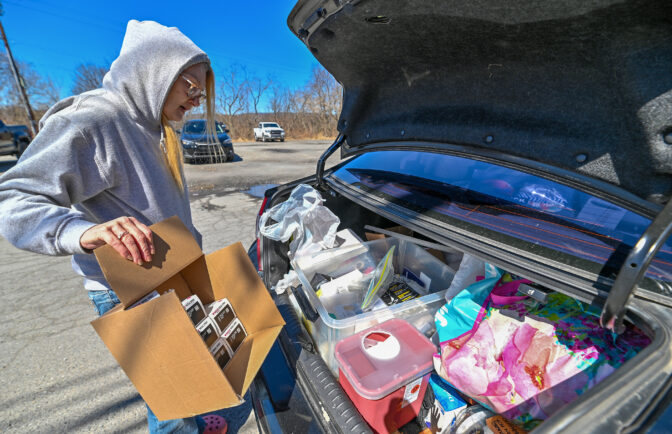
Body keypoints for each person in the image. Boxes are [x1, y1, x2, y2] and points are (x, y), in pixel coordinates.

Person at [0, 20, 220, 433]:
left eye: (201, 90)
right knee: (169, 398)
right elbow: (13, 200)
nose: (197, 98)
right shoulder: (94, 119)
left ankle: (190, 416)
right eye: (190, 85)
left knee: (184, 374)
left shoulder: (155, 127)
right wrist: (81, 232)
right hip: (130, 290)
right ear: (154, 71)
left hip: (171, 277)